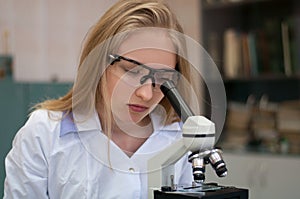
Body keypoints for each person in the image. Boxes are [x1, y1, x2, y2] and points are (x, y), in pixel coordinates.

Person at [4, 0, 198, 198]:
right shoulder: (44, 134)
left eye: (163, 78)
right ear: (99, 62)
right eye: (132, 71)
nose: (146, 94)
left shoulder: (177, 137)